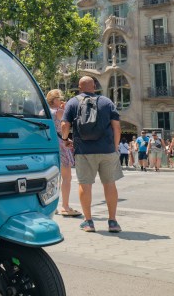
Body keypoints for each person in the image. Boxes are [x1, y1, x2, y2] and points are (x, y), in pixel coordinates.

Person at [61, 76, 123, 233]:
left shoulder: (73, 102)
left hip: (83, 151)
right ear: (94, 86)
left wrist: (65, 139)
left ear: (79, 88)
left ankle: (88, 222)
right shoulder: (107, 102)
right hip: (107, 150)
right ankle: (113, 222)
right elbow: (117, 127)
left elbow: (65, 125)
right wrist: (115, 147)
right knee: (109, 184)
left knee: (85, 184)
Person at [44, 89, 80, 217]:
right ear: (55, 100)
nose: (61, 100)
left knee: (51, 177)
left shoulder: (43, 112)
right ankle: (65, 206)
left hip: (48, 144)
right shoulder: (59, 112)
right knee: (66, 177)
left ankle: (51, 206)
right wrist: (65, 109)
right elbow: (67, 124)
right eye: (59, 98)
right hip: (60, 145)